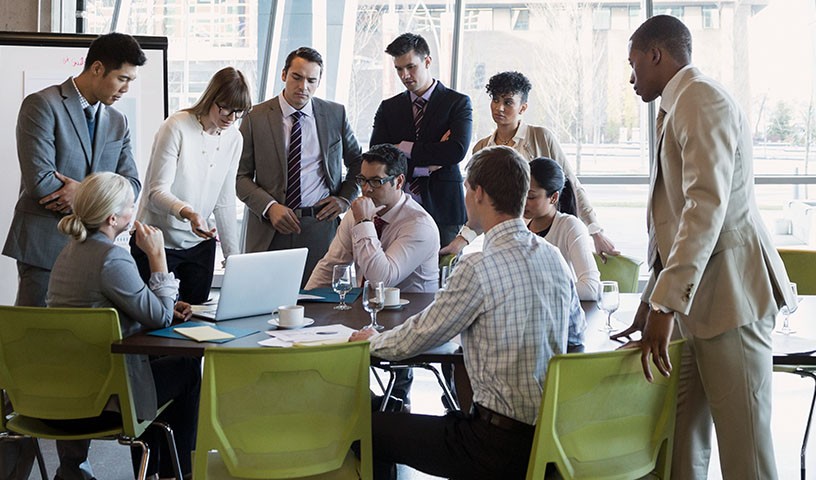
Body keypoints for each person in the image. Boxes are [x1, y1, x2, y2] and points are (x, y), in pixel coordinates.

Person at [611, 15, 796, 480]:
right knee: (678, 451)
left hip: (731, 299)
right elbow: (671, 222)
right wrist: (655, 299)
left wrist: (664, 305)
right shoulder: (677, 107)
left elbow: (704, 208)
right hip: (693, 304)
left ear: (657, 54)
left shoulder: (700, 99)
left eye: (634, 64)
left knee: (747, 457)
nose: (631, 78)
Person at [350, 146, 583, 480]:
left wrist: (372, 341)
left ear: (478, 193)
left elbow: (420, 336)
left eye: (465, 188)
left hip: (493, 446)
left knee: (369, 429)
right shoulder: (555, 258)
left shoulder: (478, 265)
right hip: (551, 440)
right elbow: (574, 341)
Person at [0, 32, 145, 480]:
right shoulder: (42, 105)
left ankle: (72, 467)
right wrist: (102, 193)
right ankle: (13, 463)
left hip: (93, 254)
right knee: (34, 359)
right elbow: (43, 184)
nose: (126, 87)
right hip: (43, 250)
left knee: (80, 358)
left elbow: (132, 187)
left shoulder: (117, 122)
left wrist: (82, 190)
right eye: (122, 77)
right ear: (96, 68)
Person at [47, 172, 200, 480]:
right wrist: (158, 256)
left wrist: (162, 302)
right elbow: (159, 318)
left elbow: (125, 302)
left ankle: (153, 468)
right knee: (185, 367)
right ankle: (175, 473)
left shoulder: (68, 253)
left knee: (157, 366)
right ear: (113, 217)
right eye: (131, 204)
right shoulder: (112, 258)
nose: (135, 210)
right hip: (105, 397)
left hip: (57, 392)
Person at [442, 71, 618, 259]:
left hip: (542, 237)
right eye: (495, 100)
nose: (499, 107)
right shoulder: (482, 148)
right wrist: (461, 240)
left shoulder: (541, 137)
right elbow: (480, 203)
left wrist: (595, 231)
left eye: (508, 102)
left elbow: (572, 185)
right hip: (500, 241)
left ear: (523, 107)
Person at [237, 47, 362, 286]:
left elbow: (358, 164)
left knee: (321, 308)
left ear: (318, 82)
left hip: (321, 226)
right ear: (284, 74)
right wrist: (270, 207)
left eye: (311, 80)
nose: (303, 86)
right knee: (267, 305)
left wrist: (344, 199)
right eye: (297, 77)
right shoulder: (255, 117)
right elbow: (239, 176)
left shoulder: (335, 114)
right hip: (270, 228)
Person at [132, 66, 251, 304]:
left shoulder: (234, 138)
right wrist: (189, 213)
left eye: (238, 112)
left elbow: (225, 201)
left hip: (199, 246)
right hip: (157, 242)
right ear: (211, 98)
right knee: (157, 322)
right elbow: (156, 192)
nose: (231, 118)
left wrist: (233, 259)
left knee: (196, 323)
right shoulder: (176, 126)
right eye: (225, 107)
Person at [370, 33, 473, 247]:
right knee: (394, 274)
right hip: (397, 207)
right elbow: (377, 157)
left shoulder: (457, 103)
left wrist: (402, 148)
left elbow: (456, 151)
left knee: (442, 276)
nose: (405, 75)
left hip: (443, 210)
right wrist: (425, 166)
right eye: (398, 69)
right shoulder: (389, 108)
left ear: (427, 61)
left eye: (410, 67)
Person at [306, 144, 439, 293]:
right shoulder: (357, 212)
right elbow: (331, 266)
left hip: (410, 311)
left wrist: (364, 222)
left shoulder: (419, 225)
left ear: (399, 182)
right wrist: (305, 303)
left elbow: (381, 280)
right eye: (362, 180)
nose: (366, 189)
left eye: (376, 181)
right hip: (364, 307)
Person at [525, 157, 600, 301]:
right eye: (521, 194)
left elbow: (591, 288)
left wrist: (534, 290)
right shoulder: (521, 228)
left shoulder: (569, 226)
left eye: (530, 197)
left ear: (553, 198)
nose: (523, 202)